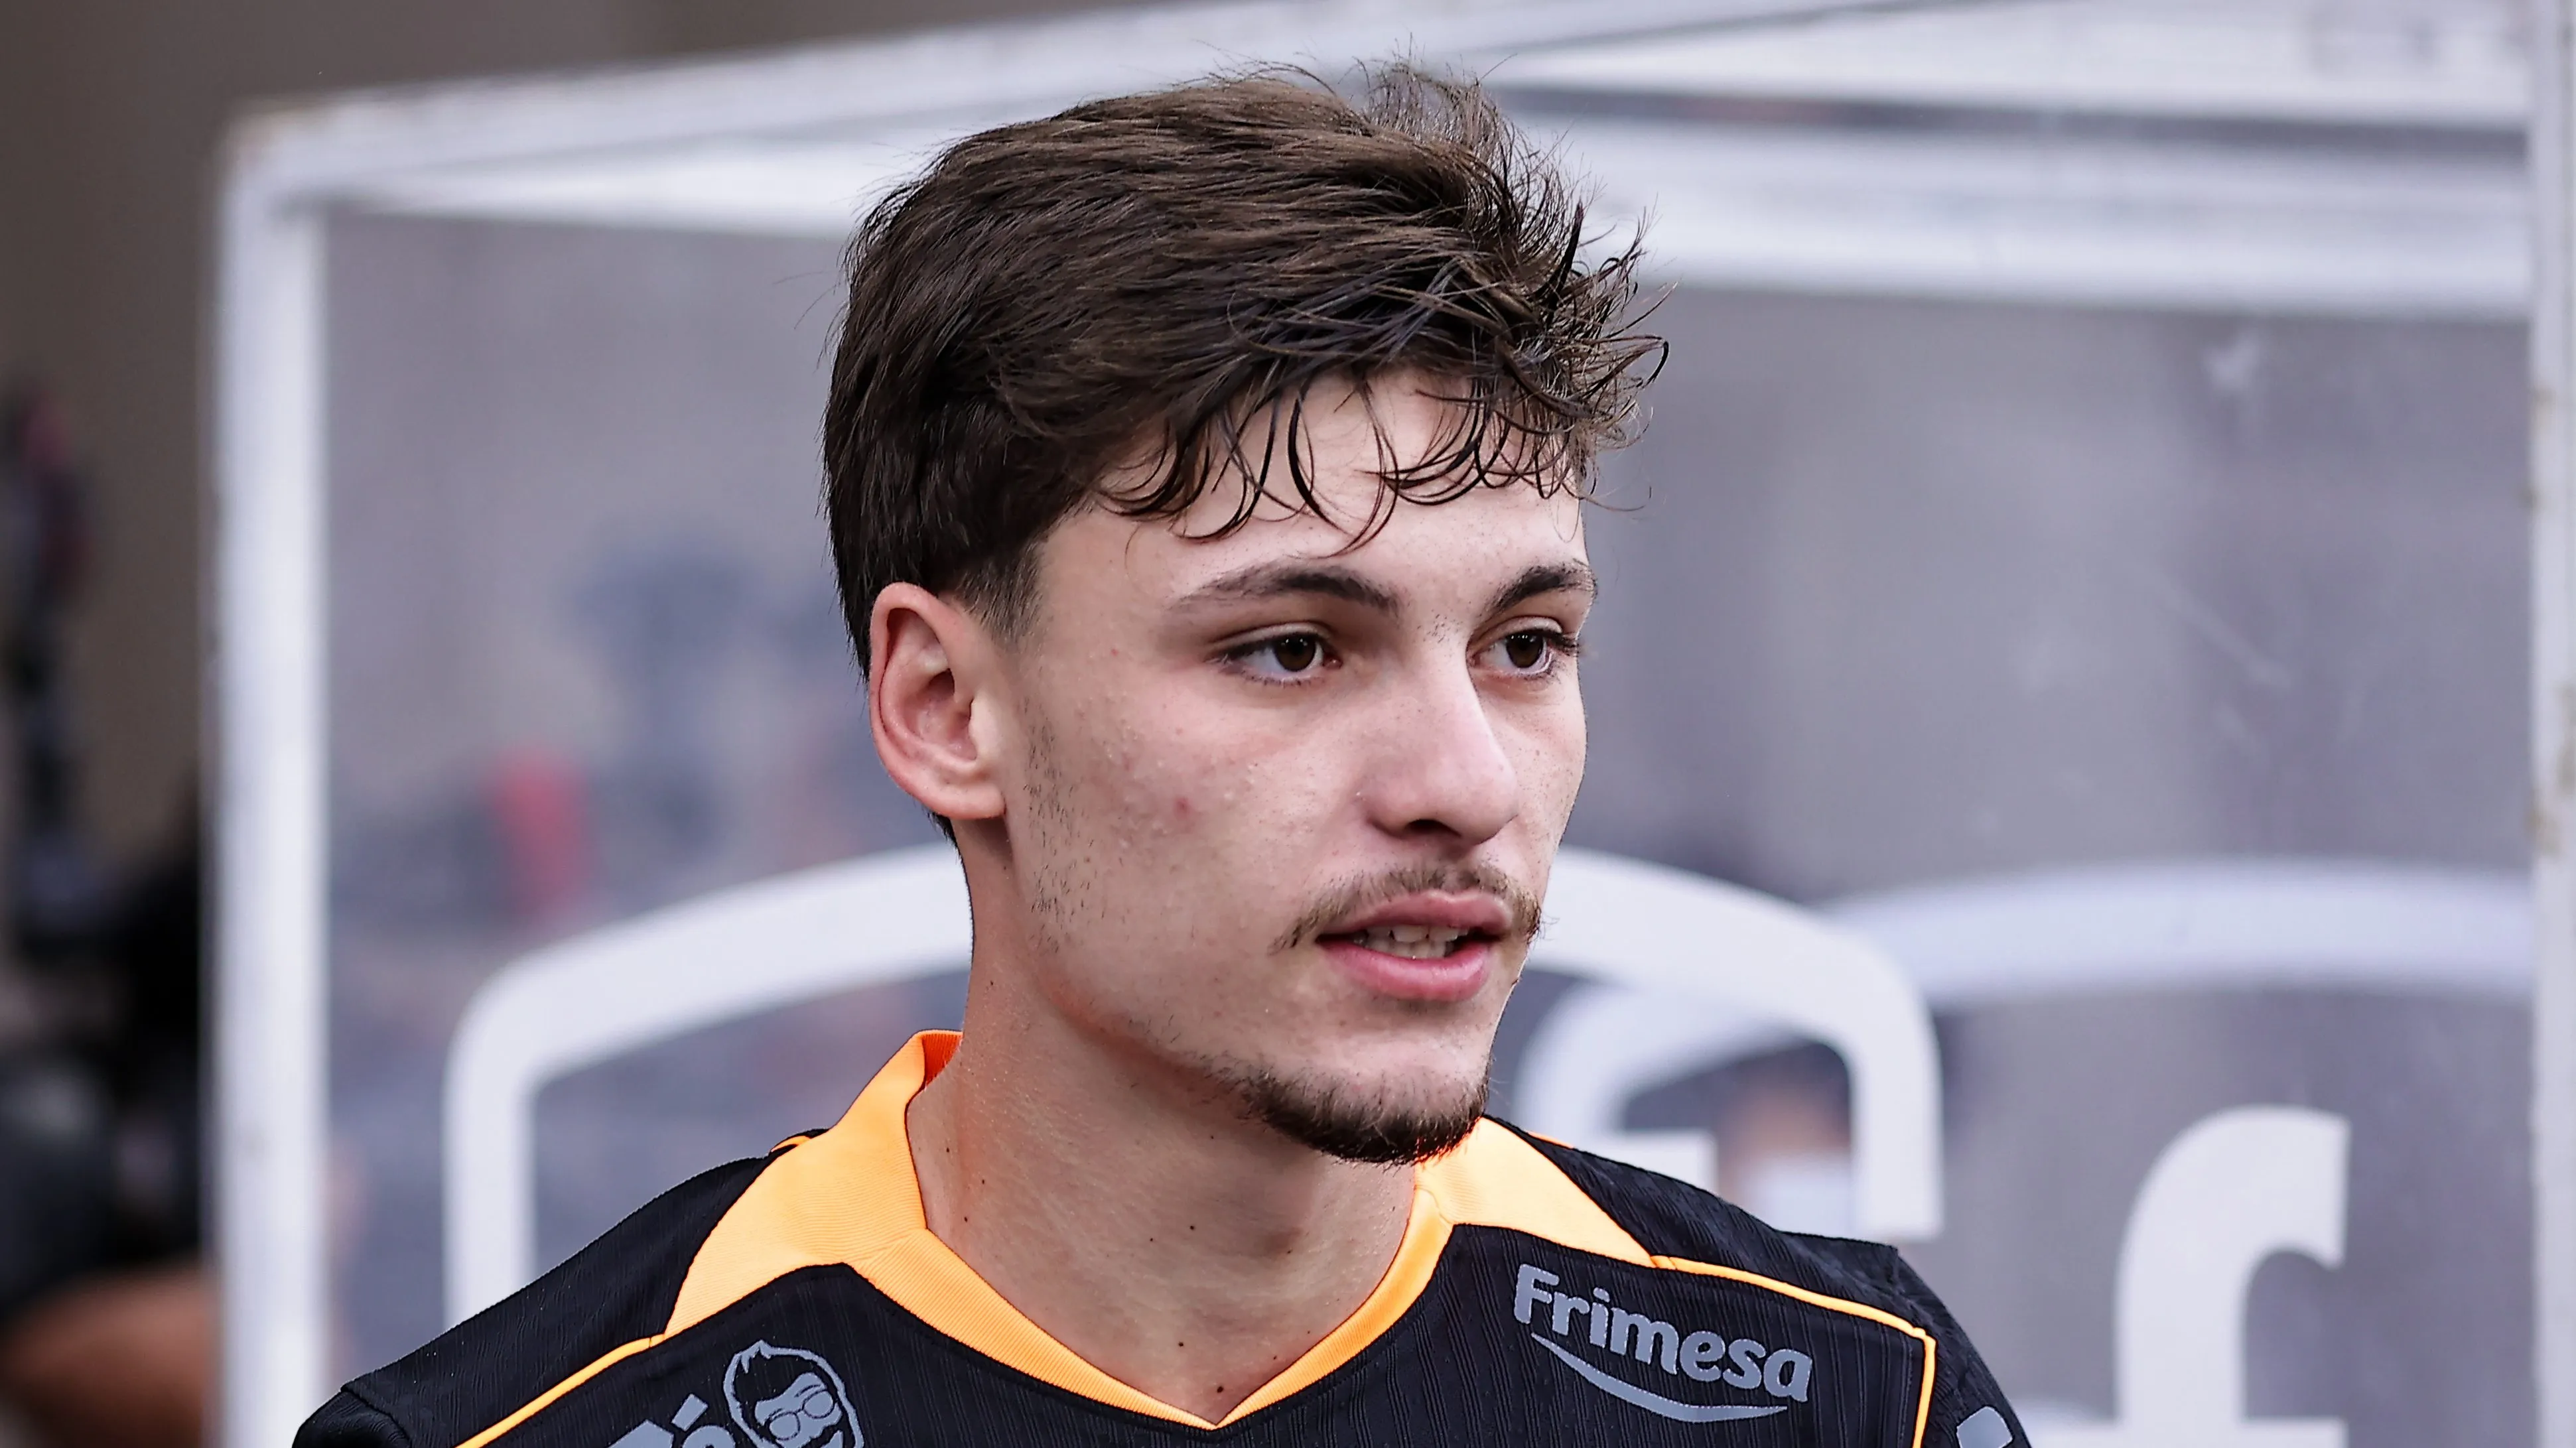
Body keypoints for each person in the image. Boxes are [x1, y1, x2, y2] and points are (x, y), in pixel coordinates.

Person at [299, 66, 2026, 1448]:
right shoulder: (555, 1423)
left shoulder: (1839, 1395)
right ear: (941, 706)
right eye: (1291, 646)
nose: (1464, 782)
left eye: (1525, 645)